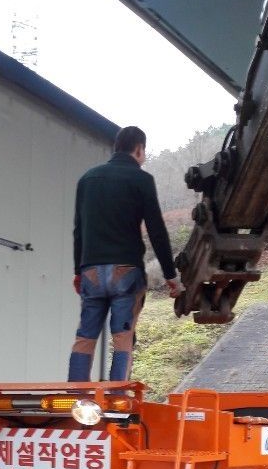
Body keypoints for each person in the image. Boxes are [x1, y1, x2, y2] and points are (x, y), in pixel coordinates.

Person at [67, 125, 182, 382]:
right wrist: (170, 276)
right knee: (122, 337)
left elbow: (78, 230)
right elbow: (157, 230)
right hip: (125, 272)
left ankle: (75, 394)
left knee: (85, 336)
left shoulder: (87, 179)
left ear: (116, 147)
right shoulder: (141, 179)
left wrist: (78, 271)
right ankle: (117, 396)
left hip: (92, 271)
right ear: (139, 149)